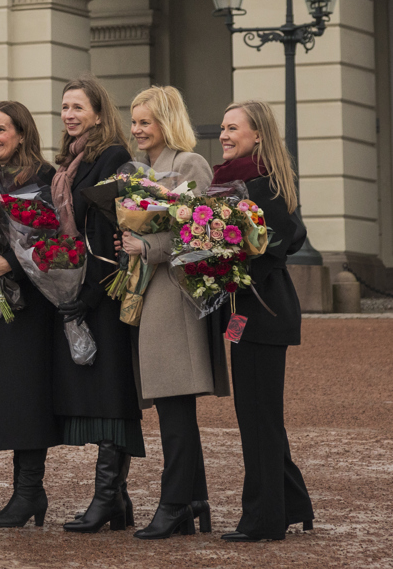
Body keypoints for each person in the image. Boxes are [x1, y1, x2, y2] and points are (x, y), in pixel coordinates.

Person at [123, 86, 221, 540]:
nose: (137, 129)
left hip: (176, 296)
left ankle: (175, 503)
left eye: (145, 121)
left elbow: (203, 231)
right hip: (152, 293)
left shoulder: (188, 164)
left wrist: (149, 246)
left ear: (166, 121)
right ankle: (191, 498)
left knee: (174, 405)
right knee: (170, 407)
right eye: (135, 121)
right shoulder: (141, 170)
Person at [215, 100, 314, 543]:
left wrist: (226, 268)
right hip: (250, 312)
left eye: (233, 127)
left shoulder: (263, 184)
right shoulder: (238, 181)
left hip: (263, 312)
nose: (224, 133)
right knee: (259, 418)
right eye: (222, 127)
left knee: (259, 420)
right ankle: (292, 504)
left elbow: (282, 240)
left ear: (257, 135)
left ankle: (264, 519)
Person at [50, 75, 141, 533]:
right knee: (100, 391)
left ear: (100, 114)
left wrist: (86, 295)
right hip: (78, 288)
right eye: (64, 107)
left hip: (103, 291)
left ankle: (106, 498)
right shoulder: (70, 161)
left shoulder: (113, 158)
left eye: (78, 108)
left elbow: (111, 233)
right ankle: (117, 500)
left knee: (111, 393)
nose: (69, 115)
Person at [0, 101, 59, 528]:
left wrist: (14, 264)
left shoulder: (46, 178)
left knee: (27, 396)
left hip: (33, 303)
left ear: (22, 132)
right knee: (2, 395)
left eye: (1, 129)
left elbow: (57, 240)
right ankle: (24, 492)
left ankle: (28, 492)